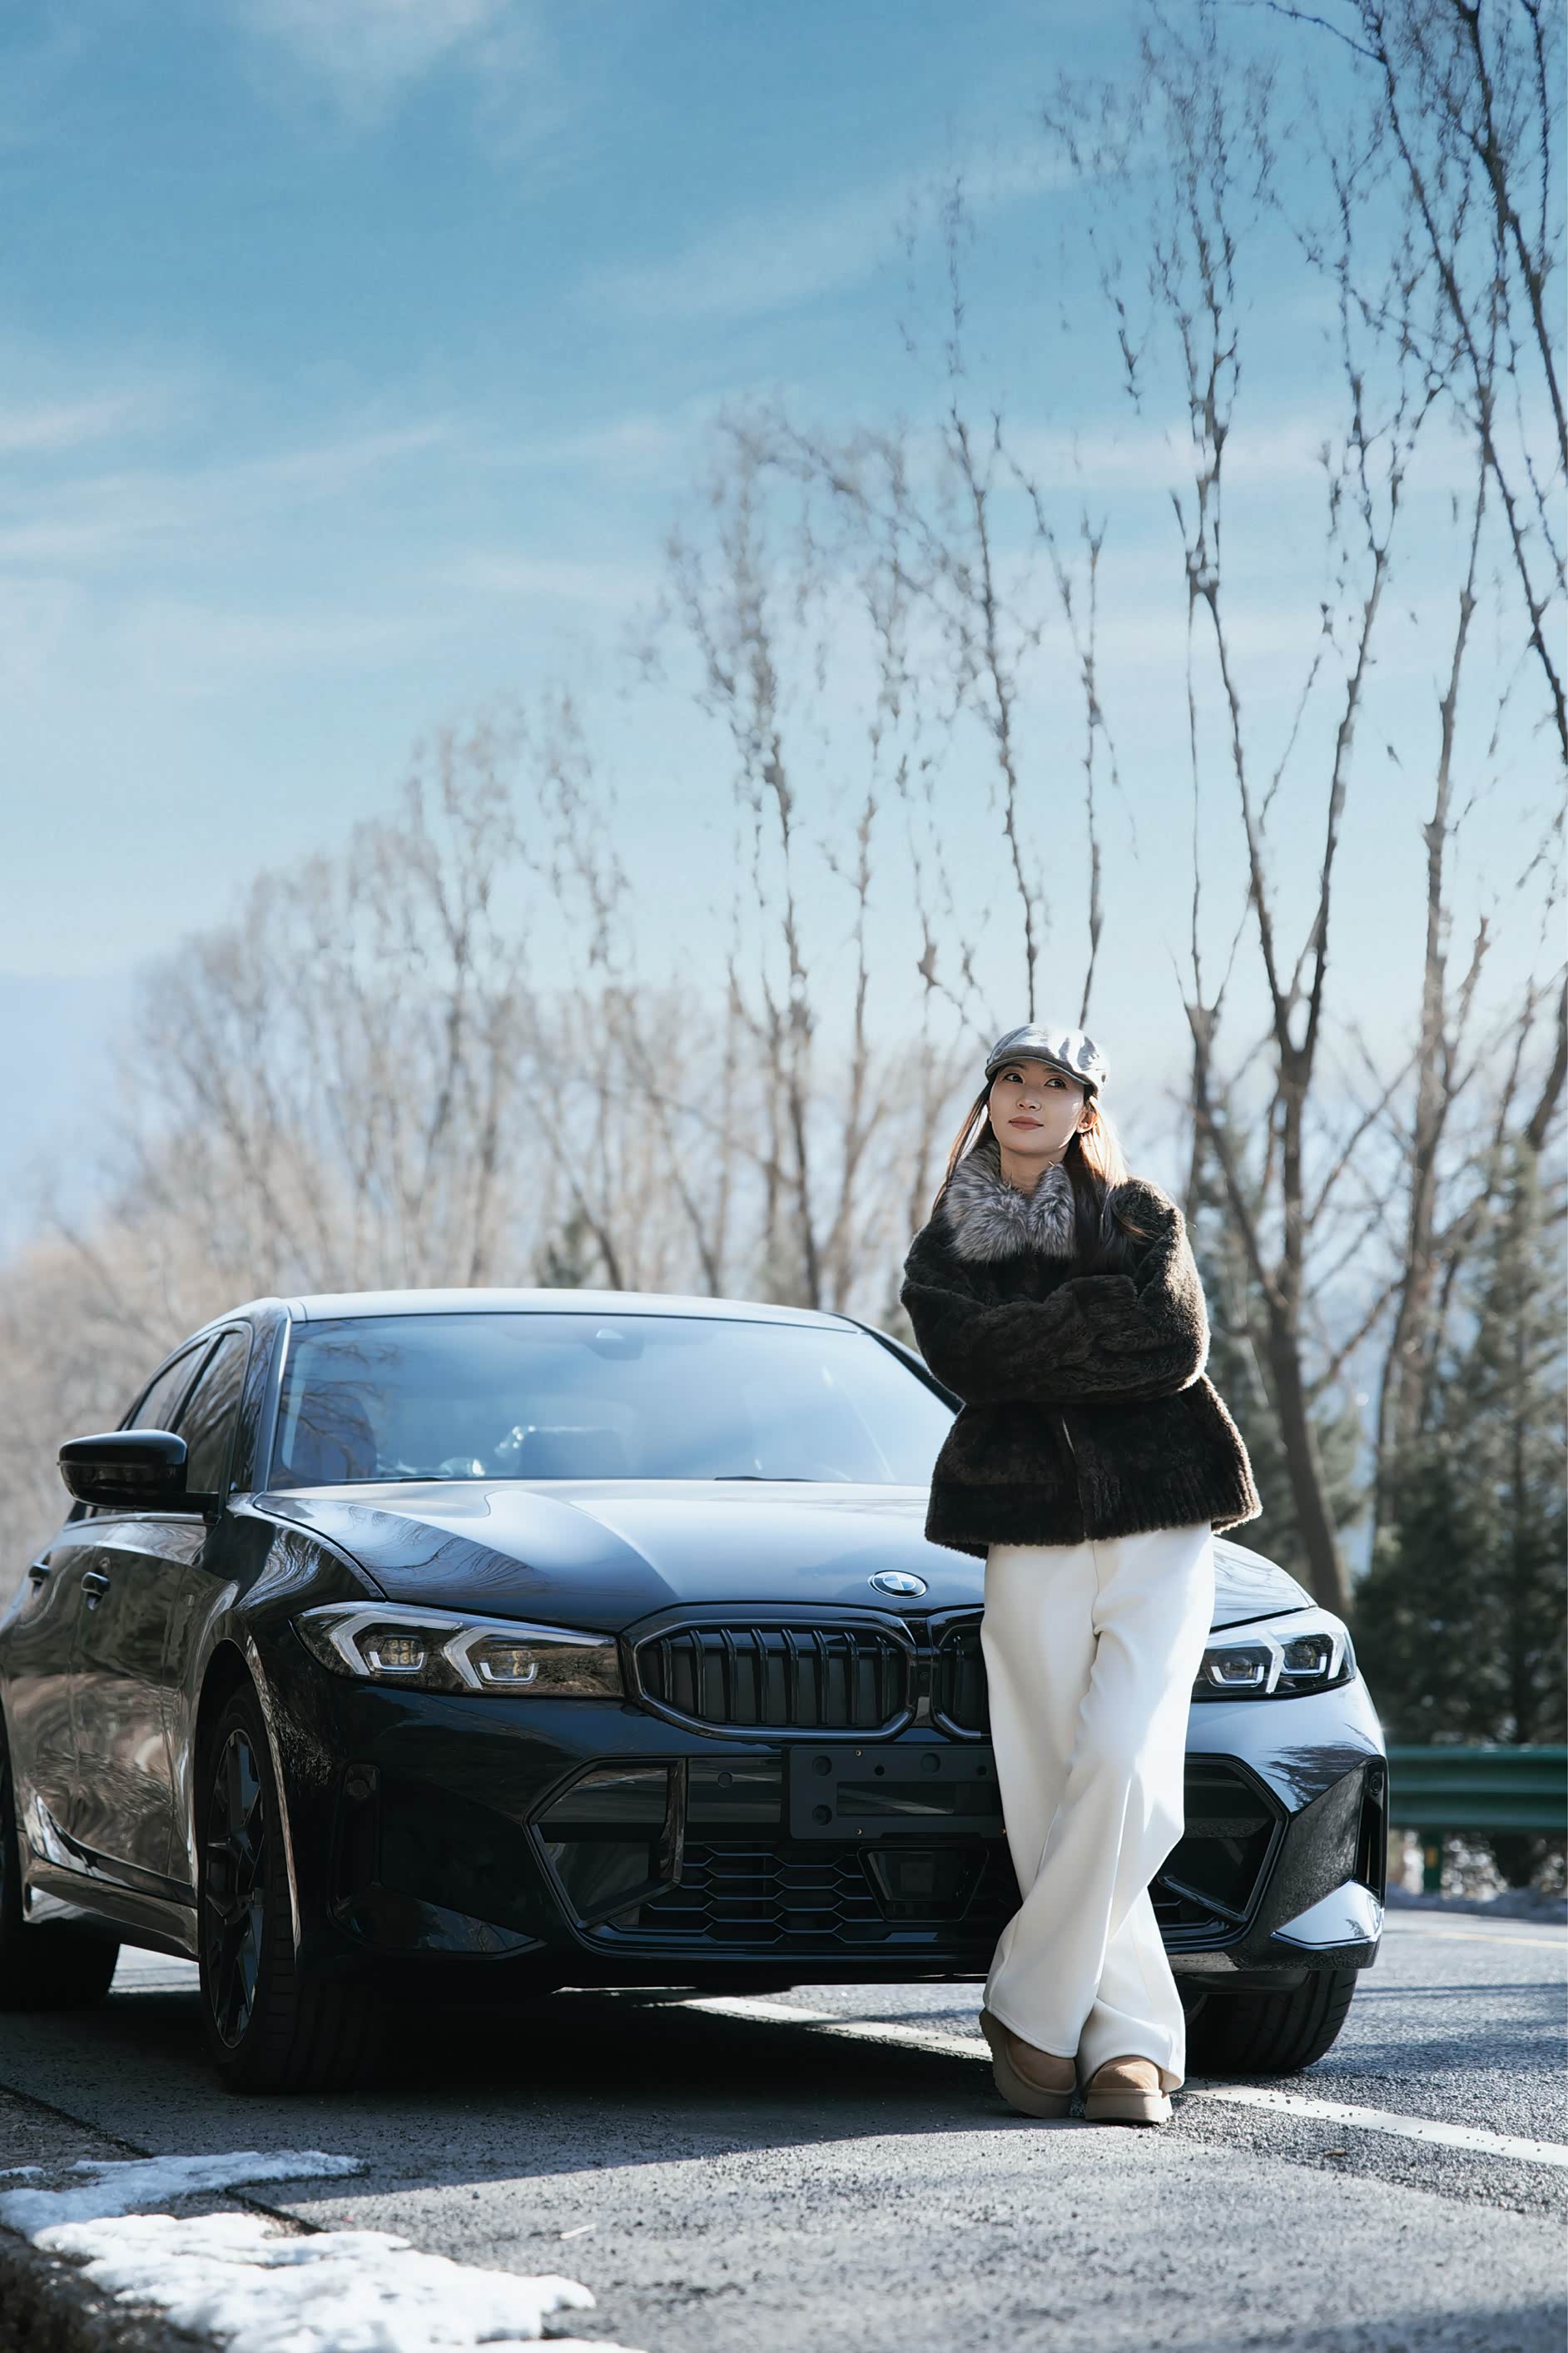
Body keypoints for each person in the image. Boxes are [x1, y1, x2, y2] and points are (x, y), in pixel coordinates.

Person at [899, 1021, 1261, 2128]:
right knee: (1049, 1784)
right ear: (990, 1100)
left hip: (1163, 1519)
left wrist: (1032, 1339)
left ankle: (1029, 2004)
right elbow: (966, 1358)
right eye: (1012, 1079)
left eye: (1054, 1084)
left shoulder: (1140, 1214)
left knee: (1124, 1766)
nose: (1029, 1096)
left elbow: (1173, 1348)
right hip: (1028, 1533)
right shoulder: (946, 1244)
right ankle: (1130, 2045)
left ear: (1084, 1110)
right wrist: (1092, 1321)